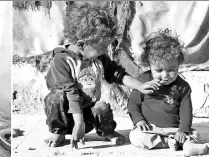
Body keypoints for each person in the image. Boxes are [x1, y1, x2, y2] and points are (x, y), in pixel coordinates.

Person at [42, 3, 161, 148]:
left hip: (87, 116)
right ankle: (59, 132)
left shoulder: (100, 58)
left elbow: (118, 74)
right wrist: (78, 122)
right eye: (102, 47)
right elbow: (70, 92)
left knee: (101, 107)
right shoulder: (62, 60)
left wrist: (141, 86)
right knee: (54, 98)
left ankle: (106, 132)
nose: (106, 50)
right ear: (81, 44)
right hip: (66, 115)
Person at [127, 29, 209, 155]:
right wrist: (139, 121)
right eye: (159, 70)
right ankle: (177, 143)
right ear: (149, 66)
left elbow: (186, 111)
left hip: (174, 129)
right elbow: (133, 104)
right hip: (151, 129)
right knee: (136, 136)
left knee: (195, 133)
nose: (165, 75)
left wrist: (182, 130)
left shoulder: (183, 87)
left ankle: (182, 143)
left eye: (172, 69)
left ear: (179, 65)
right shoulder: (144, 81)